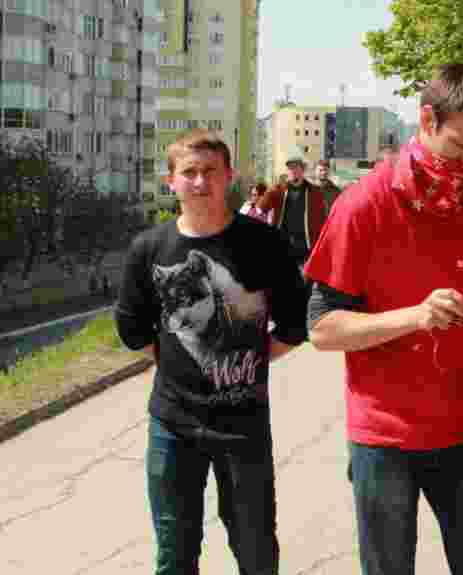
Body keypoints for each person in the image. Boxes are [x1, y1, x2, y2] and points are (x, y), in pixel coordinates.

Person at [303, 63, 463, 575]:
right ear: (427, 120)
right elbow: (322, 328)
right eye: (460, 145)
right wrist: (415, 318)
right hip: (385, 437)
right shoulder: (364, 205)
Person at [115, 129, 308, 574]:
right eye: (189, 173)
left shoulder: (265, 243)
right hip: (173, 423)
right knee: (175, 549)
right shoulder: (149, 249)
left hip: (244, 423)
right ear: (172, 182)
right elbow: (131, 328)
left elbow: (295, 323)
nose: (200, 182)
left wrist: (250, 361)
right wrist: (181, 364)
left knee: (256, 546)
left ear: (229, 178)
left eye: (211, 172)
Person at [267, 152, 327, 271]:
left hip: (305, 248)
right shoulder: (279, 189)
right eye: (290, 168)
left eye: (296, 167)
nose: (293, 171)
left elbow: (322, 220)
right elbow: (260, 209)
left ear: (302, 170)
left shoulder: (314, 192)